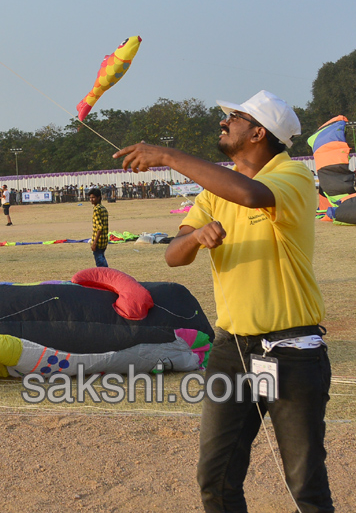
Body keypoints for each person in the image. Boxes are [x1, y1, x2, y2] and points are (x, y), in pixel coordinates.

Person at [114, 90, 332, 513]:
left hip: (290, 354)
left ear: (258, 132)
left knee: (304, 487)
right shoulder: (214, 191)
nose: (224, 121)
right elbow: (172, 256)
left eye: (235, 116)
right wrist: (193, 238)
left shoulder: (293, 176)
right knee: (215, 479)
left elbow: (251, 195)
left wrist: (170, 157)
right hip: (231, 352)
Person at [88, 188, 108, 266]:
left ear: (98, 197)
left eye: (93, 197)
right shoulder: (103, 208)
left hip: (98, 242)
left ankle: (106, 277)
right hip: (104, 241)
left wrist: (94, 243)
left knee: (101, 264)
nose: (91, 200)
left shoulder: (96, 210)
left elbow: (100, 228)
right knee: (102, 259)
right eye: (90, 198)